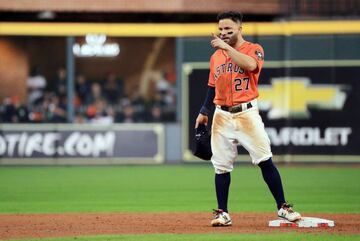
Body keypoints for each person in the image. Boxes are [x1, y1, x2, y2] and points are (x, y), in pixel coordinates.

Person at [195, 11, 301, 227]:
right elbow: (212, 86)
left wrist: (226, 48)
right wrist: (204, 111)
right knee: (221, 166)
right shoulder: (215, 57)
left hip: (247, 113)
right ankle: (223, 213)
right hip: (221, 114)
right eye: (221, 29)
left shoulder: (254, 49)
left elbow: (251, 66)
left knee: (264, 159)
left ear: (240, 29)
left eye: (228, 29)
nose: (223, 33)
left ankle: (282, 207)